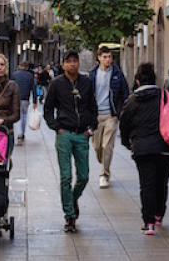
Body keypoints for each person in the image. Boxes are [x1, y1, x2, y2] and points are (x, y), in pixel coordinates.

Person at [43, 50, 98, 233]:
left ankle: (71, 199)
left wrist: (90, 129)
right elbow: (48, 108)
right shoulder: (56, 84)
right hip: (64, 134)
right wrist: (56, 127)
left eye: (75, 61)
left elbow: (93, 107)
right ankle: (69, 216)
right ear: (64, 64)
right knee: (66, 176)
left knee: (83, 176)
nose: (73, 64)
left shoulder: (86, 83)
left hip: (82, 134)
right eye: (69, 61)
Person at [119, 63, 169, 236]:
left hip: (142, 148)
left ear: (137, 81)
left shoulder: (132, 101)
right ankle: (159, 214)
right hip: (166, 146)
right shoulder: (166, 96)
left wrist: (127, 142)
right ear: (155, 80)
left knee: (147, 184)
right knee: (162, 182)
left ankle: (149, 222)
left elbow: (124, 124)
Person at [88, 46, 130, 189]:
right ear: (99, 57)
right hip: (96, 116)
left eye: (109, 57)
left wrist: (121, 112)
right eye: (105, 57)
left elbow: (125, 93)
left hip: (111, 115)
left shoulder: (117, 73)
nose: (108, 59)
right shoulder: (92, 74)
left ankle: (104, 175)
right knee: (97, 146)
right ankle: (103, 161)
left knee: (107, 146)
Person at [10, 60, 38, 144]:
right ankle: (22, 133)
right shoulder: (30, 76)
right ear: (27, 67)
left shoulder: (14, 75)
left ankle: (18, 132)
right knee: (24, 116)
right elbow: (34, 89)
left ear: (19, 66)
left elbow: (10, 87)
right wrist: (34, 101)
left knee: (16, 116)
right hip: (25, 98)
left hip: (15, 98)